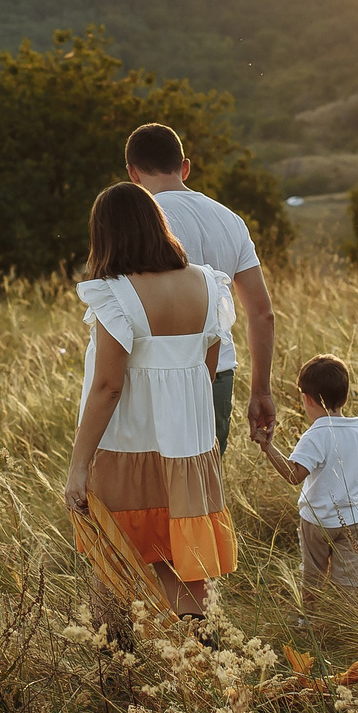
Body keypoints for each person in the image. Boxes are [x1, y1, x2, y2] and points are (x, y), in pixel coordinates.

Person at [63, 181, 239, 618]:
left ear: (106, 235)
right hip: (190, 447)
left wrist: (78, 465)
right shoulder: (208, 284)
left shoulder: (116, 293)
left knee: (113, 557)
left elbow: (108, 386)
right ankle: (201, 649)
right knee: (186, 561)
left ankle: (115, 652)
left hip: (127, 445)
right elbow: (206, 370)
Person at [123, 123, 275, 450]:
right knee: (207, 477)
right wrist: (261, 391)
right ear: (185, 167)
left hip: (160, 374)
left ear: (133, 173)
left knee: (156, 479)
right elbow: (262, 314)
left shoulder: (140, 224)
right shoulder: (231, 220)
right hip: (219, 374)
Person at [254, 354, 358, 619]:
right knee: (350, 582)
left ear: (307, 399)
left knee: (313, 576)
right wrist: (354, 497)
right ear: (345, 397)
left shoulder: (316, 435)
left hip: (317, 522)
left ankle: (308, 620)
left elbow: (294, 475)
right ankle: (347, 625)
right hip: (355, 521)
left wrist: (268, 448)